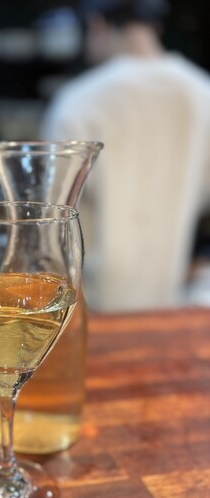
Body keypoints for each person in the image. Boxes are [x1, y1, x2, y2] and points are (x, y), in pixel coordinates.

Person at [40, 0, 210, 312]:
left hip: (88, 305)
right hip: (173, 304)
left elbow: (49, 221)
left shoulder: (79, 100)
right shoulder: (202, 93)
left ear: (98, 25)